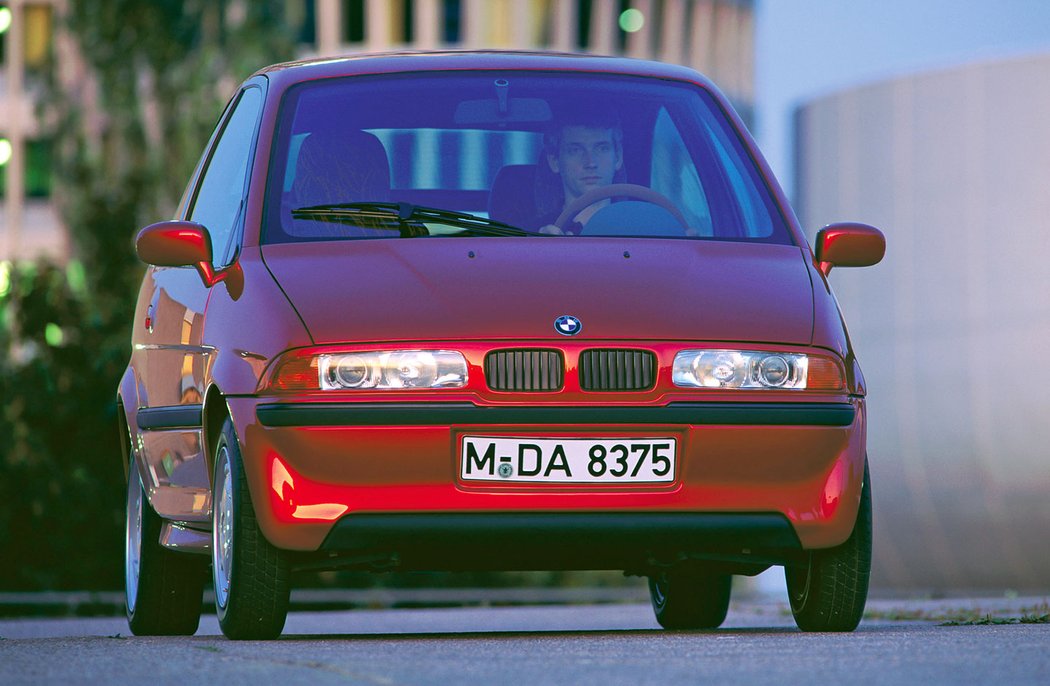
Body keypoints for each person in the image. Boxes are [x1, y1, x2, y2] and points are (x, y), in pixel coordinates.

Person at [536, 112, 625, 235]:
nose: (591, 163)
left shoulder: (643, 227)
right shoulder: (530, 235)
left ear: (618, 157)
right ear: (554, 161)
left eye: (602, 148)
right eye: (575, 150)